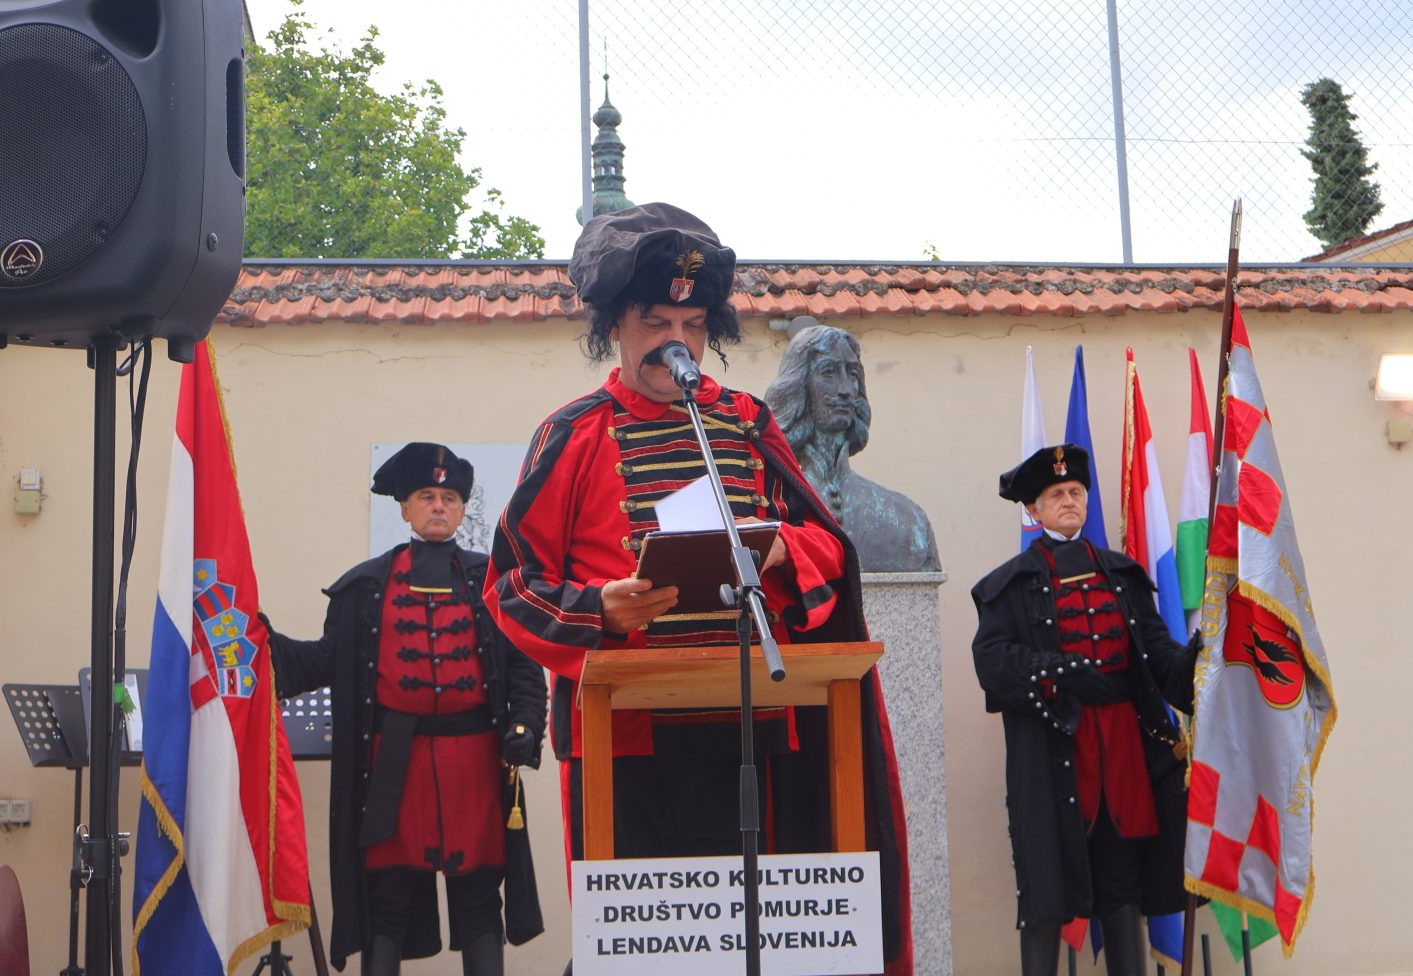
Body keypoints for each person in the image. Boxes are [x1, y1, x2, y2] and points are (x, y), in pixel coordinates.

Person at [482, 201, 912, 976]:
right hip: (624, 738)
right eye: (655, 322)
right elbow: (511, 584)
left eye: (692, 324)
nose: (675, 341)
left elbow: (827, 549)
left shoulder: (746, 424)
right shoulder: (572, 434)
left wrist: (778, 548)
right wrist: (597, 609)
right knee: (645, 959)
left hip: (752, 726)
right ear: (615, 327)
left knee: (762, 950)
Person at [265, 443, 547, 976]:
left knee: (479, 898)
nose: (438, 506)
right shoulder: (364, 588)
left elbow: (525, 671)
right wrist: (259, 639)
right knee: (386, 901)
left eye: (449, 498)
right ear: (404, 509)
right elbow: (321, 662)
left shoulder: (496, 584)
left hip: (475, 767)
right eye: (426, 496)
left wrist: (525, 725)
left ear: (461, 510)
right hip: (393, 768)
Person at [970, 444, 1199, 976]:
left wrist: (1199, 657)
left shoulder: (1123, 575)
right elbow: (993, 662)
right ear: (1034, 510)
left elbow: (1158, 657)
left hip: (1123, 756)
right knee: (1045, 894)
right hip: (1051, 757)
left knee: (1122, 887)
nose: (1068, 500)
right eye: (1056, 494)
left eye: (1075, 491)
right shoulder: (1008, 585)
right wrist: (1057, 672)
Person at [763, 323, 940, 572]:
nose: (845, 389)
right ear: (798, 384)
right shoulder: (767, 508)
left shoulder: (909, 522)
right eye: (828, 372)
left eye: (852, 374)